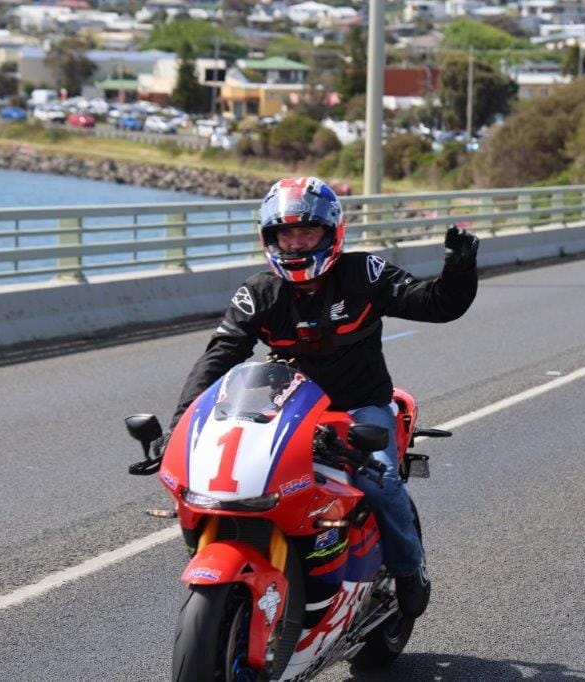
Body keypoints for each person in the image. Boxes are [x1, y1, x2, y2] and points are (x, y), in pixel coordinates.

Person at [161, 176, 479, 617]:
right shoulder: (258, 294)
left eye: (307, 232)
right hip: (287, 412)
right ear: (270, 239)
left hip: (360, 407)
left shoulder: (362, 274)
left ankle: (410, 571)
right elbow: (218, 359)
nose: (296, 243)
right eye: (285, 234)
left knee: (379, 478)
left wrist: (458, 272)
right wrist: (180, 428)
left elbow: (435, 304)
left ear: (331, 233)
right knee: (233, 480)